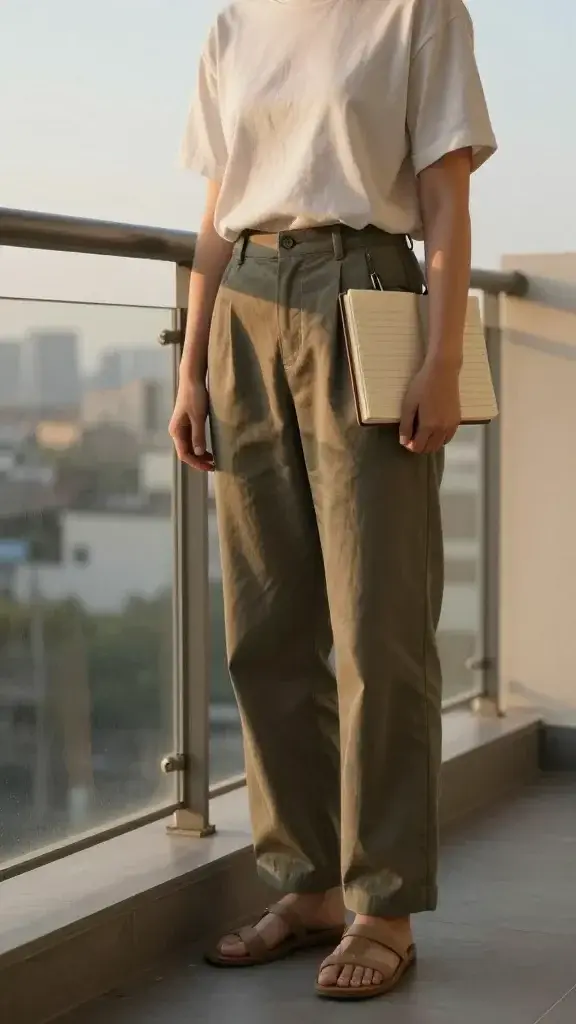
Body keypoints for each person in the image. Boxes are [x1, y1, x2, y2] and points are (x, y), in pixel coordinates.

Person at [170, 0, 496, 1002]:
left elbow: (443, 198)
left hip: (368, 293)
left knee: (377, 624)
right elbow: (220, 203)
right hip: (247, 304)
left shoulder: (417, 9)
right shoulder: (235, 23)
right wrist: (192, 367)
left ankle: (384, 902)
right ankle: (305, 881)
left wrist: (441, 359)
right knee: (263, 623)